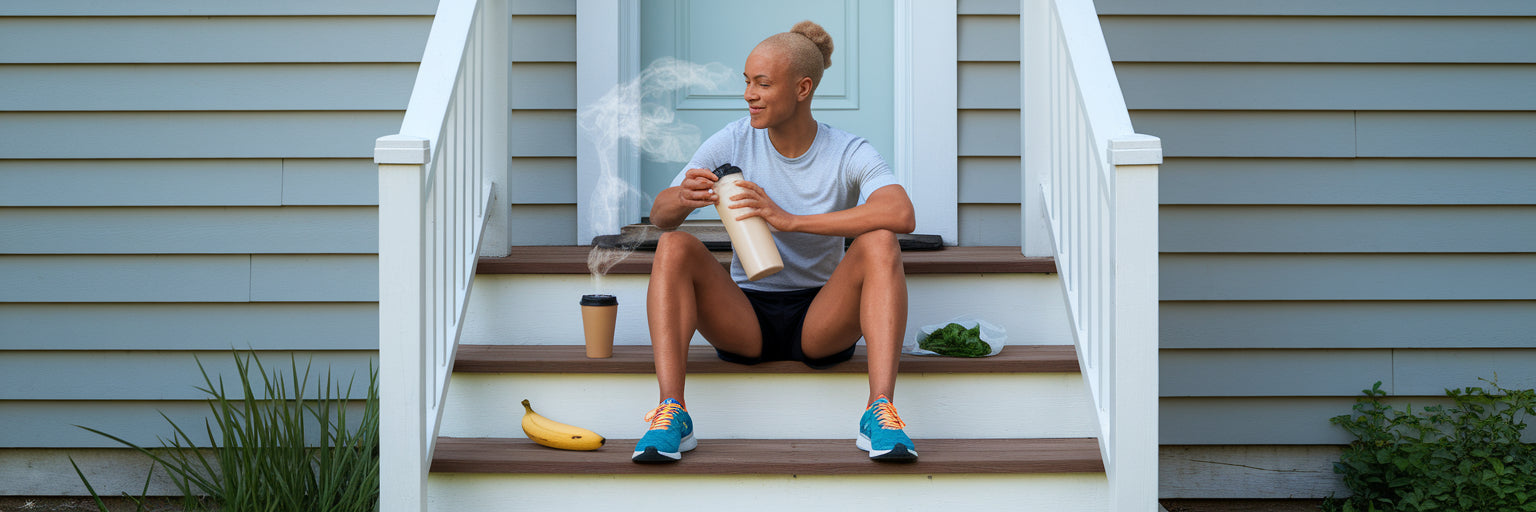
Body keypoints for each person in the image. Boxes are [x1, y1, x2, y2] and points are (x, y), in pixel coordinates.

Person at [632, 20, 918, 464]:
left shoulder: (846, 150)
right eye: (746, 82)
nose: (749, 94)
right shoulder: (732, 139)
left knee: (880, 241)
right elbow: (660, 215)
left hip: (821, 316)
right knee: (673, 245)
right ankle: (672, 411)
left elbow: (901, 214)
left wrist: (790, 220)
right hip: (744, 313)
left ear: (802, 88)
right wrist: (683, 198)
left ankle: (880, 410)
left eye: (763, 84)